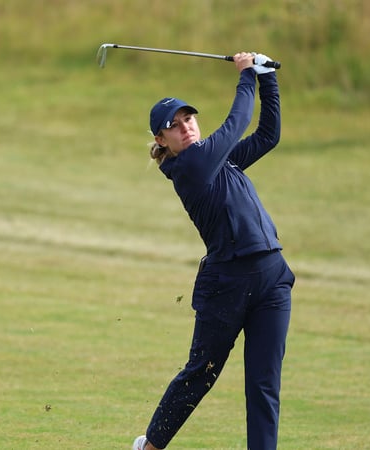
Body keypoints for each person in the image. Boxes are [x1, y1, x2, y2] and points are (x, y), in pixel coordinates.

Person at [132, 52, 295, 450]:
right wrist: (246, 77)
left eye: (189, 119)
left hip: (273, 277)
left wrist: (268, 79)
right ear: (161, 140)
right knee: (200, 374)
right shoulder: (190, 169)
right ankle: (150, 446)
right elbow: (237, 123)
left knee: (264, 385)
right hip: (228, 283)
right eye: (175, 125)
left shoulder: (221, 162)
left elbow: (267, 136)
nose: (186, 127)